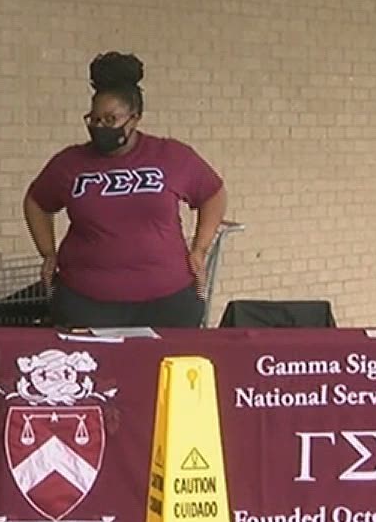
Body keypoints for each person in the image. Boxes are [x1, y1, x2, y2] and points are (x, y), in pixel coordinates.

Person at [23, 52, 228, 329]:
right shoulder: (70, 163)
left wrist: (199, 250)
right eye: (94, 119)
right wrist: (48, 253)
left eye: (110, 119)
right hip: (86, 302)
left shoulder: (171, 156)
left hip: (169, 301)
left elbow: (213, 194)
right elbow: (36, 202)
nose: (100, 127)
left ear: (135, 118)